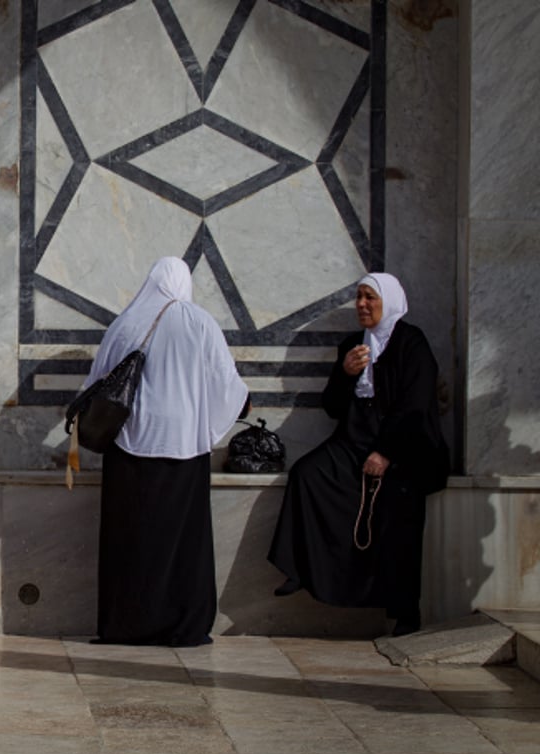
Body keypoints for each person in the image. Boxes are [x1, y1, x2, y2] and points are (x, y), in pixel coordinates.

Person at [267, 273, 448, 637]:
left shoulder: (411, 343)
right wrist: (346, 373)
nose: (362, 305)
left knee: (399, 517)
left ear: (389, 301)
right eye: (359, 297)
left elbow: (415, 406)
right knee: (308, 474)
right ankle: (300, 567)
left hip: (403, 448)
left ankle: (405, 613)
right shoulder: (353, 344)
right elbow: (334, 407)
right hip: (354, 441)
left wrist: (386, 453)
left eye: (370, 298)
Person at [86, 256, 250, 647]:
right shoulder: (199, 321)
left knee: (130, 541)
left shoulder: (125, 324)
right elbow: (227, 386)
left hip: (128, 446)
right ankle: (184, 625)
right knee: (182, 545)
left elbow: (94, 384)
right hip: (183, 446)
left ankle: (126, 625)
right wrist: (222, 415)